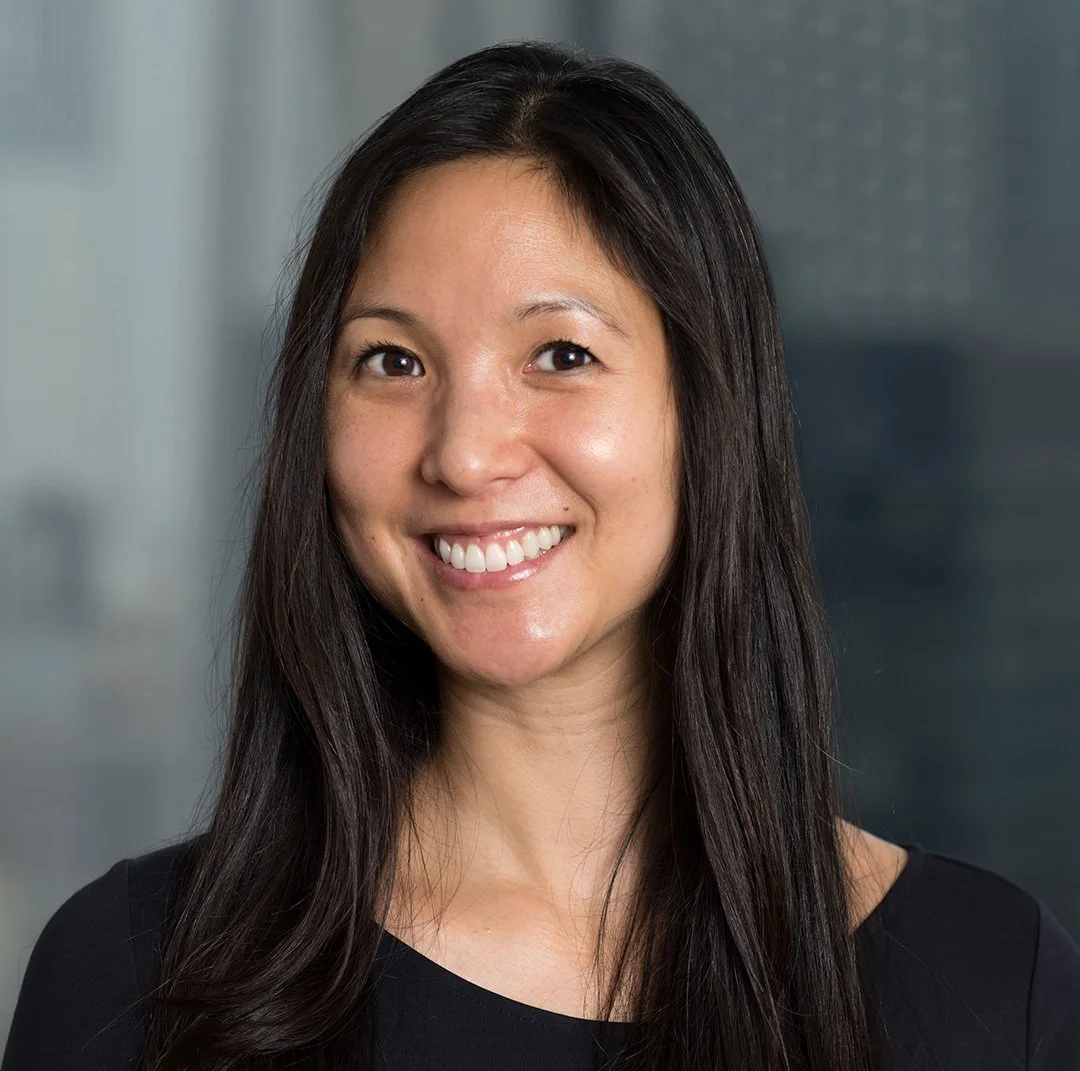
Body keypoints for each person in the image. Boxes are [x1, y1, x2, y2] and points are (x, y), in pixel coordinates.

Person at [3, 40, 1079, 1071]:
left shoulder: (990, 982)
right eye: (392, 361)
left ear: (706, 413)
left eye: (560, 354)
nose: (464, 453)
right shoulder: (135, 977)